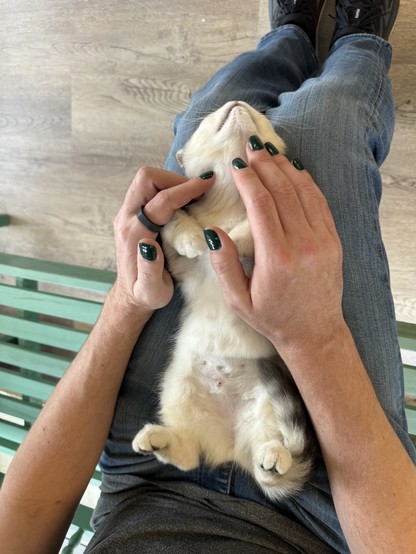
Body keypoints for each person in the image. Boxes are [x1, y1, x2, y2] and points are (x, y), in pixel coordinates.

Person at [1, 0, 415, 552]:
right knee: (329, 126)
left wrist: (127, 300)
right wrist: (315, 338)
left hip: (145, 476)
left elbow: (20, 521)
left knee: (211, 116)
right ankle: (359, 41)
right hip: (327, 514)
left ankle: (290, 37)